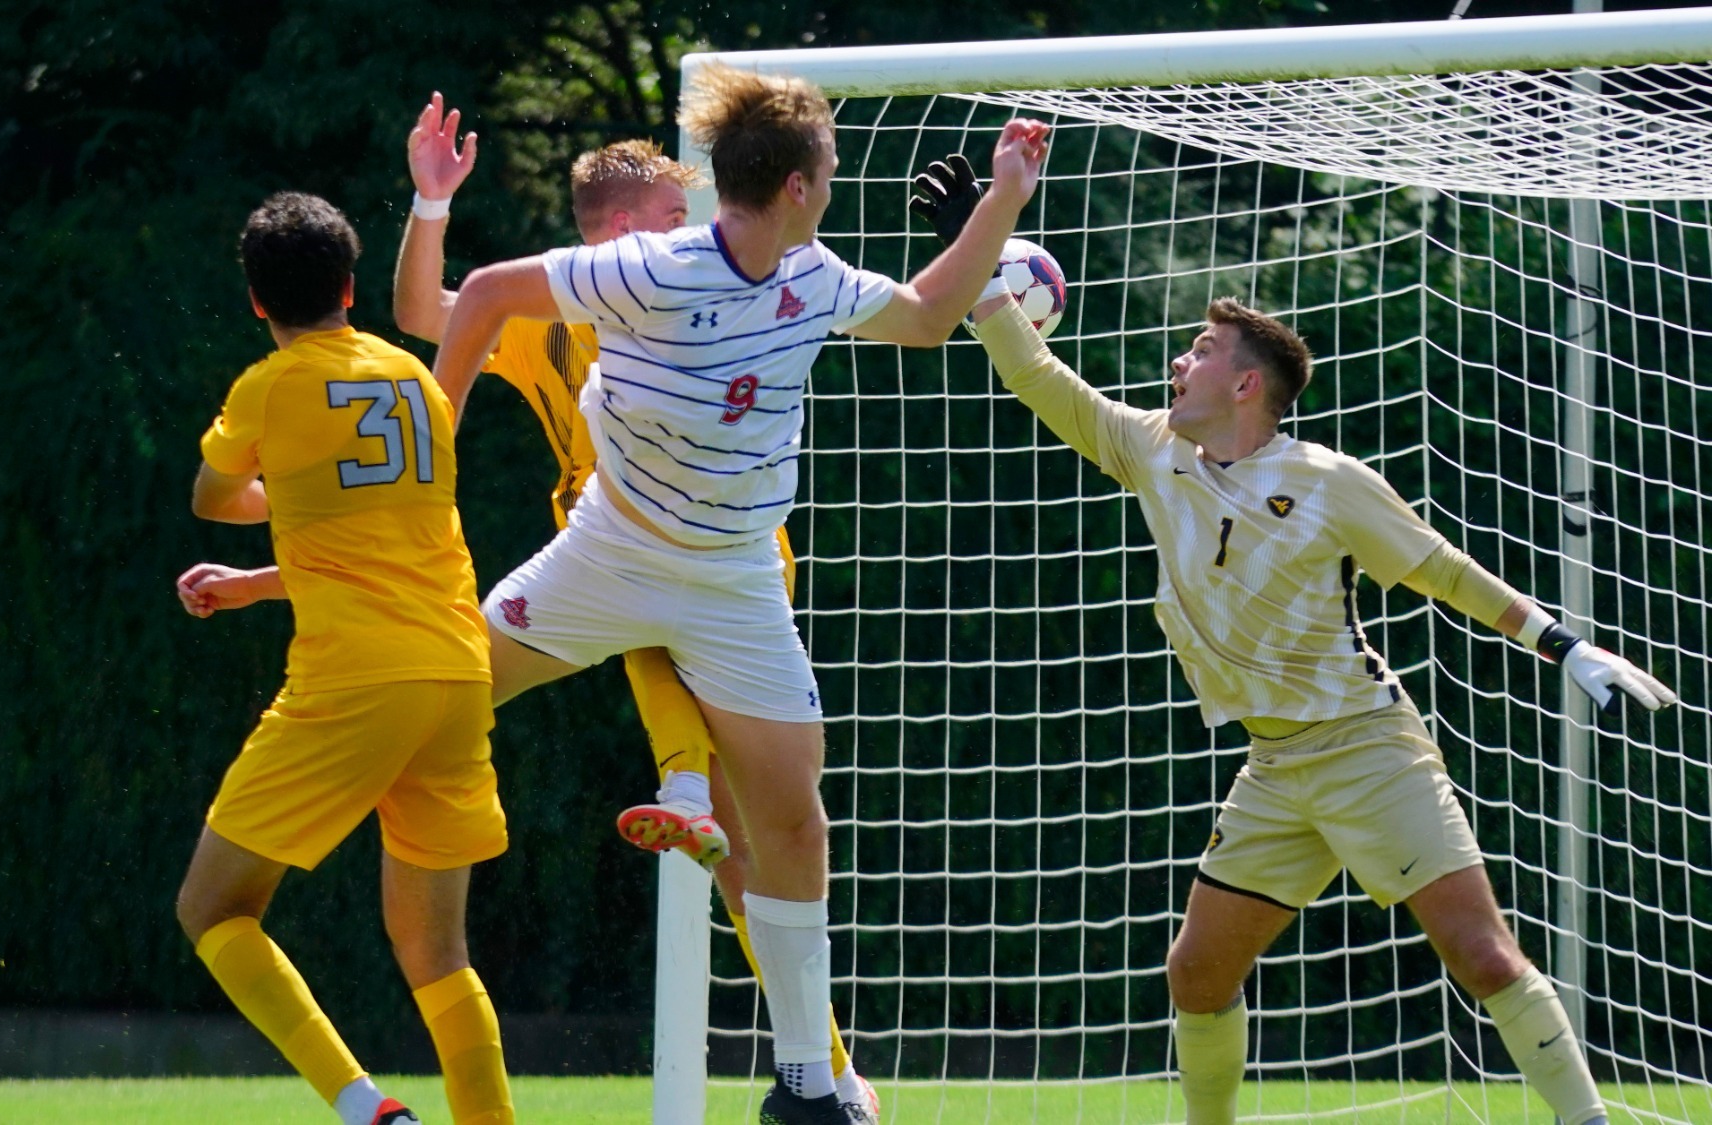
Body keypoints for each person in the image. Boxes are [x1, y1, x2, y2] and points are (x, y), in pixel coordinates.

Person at [910, 158, 1678, 1125]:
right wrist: (974, 249)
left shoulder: (1326, 479)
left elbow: (1443, 569)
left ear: (1244, 383)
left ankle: (1586, 1120)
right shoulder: (1154, 450)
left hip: (1367, 746)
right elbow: (1034, 372)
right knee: (1195, 973)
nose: (1177, 362)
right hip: (1274, 765)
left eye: (1199, 348)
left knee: (1483, 956)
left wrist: (1567, 647)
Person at [428, 66, 1047, 1125]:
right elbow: (481, 293)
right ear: (799, 185)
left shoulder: (814, 277)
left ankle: (809, 1086)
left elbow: (928, 316)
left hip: (733, 588)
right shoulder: (648, 267)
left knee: (791, 827)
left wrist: (1000, 202)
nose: (834, 183)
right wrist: (422, 465)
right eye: (832, 169)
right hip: (605, 558)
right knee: (426, 699)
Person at [388, 93, 878, 1117]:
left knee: (762, 843)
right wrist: (430, 203)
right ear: (618, 233)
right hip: (602, 563)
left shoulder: (730, 276)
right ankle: (690, 810)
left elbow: (888, 313)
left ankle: (817, 1066)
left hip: (726, 565)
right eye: (669, 216)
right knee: (443, 685)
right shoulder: (569, 309)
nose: (694, 232)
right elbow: (432, 311)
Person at [171, 191, 515, 1125]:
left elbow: (215, 493)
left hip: (357, 679)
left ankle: (369, 1110)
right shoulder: (413, 380)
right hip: (455, 670)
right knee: (441, 957)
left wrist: (269, 485)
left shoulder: (267, 385)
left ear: (255, 301)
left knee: (213, 911)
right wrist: (254, 582)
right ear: (353, 288)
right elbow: (378, 545)